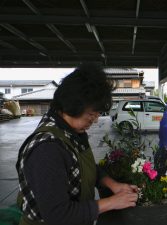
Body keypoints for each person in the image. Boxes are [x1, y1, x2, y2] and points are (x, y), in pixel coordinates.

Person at [16, 64, 138, 225]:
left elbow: (83, 168)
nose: (94, 121)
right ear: (72, 104)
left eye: (97, 115)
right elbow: (58, 215)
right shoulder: (47, 149)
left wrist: (113, 185)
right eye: (91, 114)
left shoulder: (72, 131)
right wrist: (112, 202)